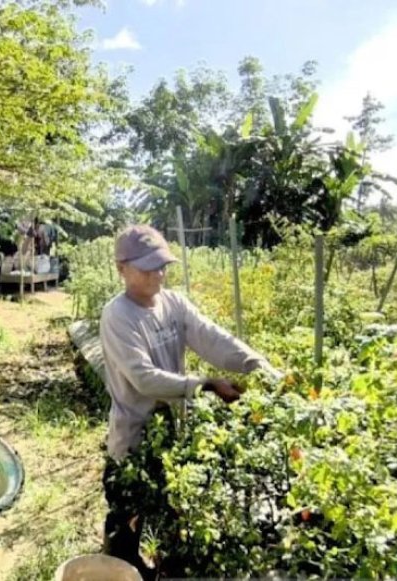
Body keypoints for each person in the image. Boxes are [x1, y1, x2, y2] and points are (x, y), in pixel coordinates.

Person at [99, 224, 280, 576]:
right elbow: (143, 378)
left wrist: (259, 367)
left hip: (173, 434)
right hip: (134, 437)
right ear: (122, 268)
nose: (159, 273)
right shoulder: (118, 315)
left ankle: (153, 569)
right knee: (125, 519)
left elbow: (213, 338)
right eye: (148, 267)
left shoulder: (173, 303)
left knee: (167, 514)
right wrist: (207, 384)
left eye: (162, 264)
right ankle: (117, 567)